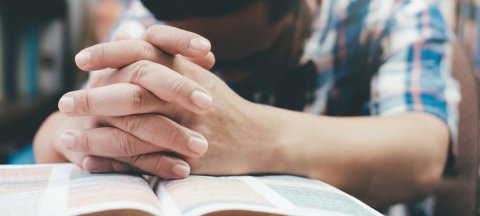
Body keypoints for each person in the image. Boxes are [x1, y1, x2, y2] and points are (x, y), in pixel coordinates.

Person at [33, 0, 461, 210]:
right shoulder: (150, 22)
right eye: (203, 61)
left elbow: (423, 153)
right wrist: (85, 129)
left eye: (249, 58)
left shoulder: (393, 11)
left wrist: (250, 133)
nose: (224, 78)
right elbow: (53, 137)